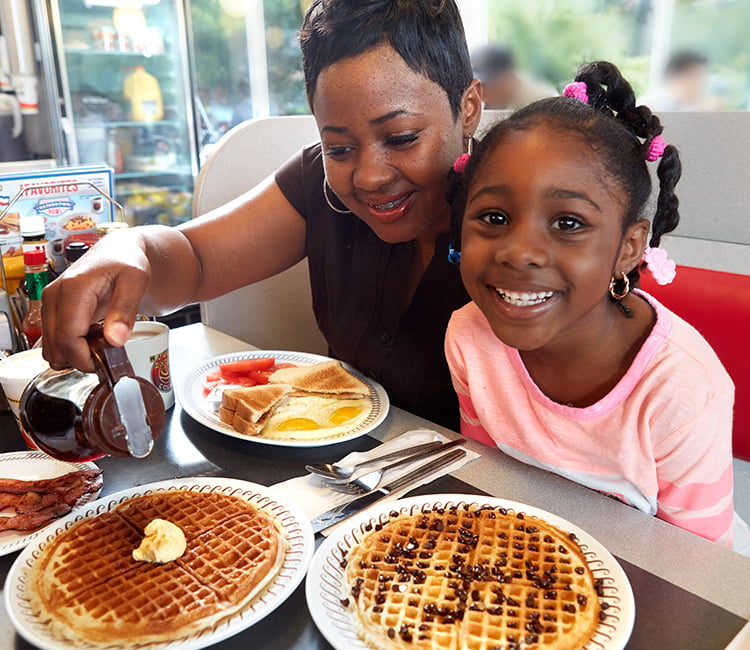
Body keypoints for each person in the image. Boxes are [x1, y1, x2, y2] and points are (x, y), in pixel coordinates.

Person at [40, 0, 482, 430]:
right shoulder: (318, 184)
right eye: (339, 148)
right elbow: (195, 258)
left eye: (402, 138)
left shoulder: (524, 214)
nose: (368, 177)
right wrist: (127, 249)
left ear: (469, 109)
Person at [444, 61, 749, 553]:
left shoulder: (682, 391)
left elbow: (699, 571)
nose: (518, 251)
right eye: (494, 217)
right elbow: (487, 486)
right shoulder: (470, 337)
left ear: (628, 247)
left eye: (567, 223)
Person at [470, 43, 557, 110]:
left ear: (510, 77)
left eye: (488, 84)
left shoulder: (542, 100)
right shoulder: (480, 103)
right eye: (479, 85)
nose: (482, 93)